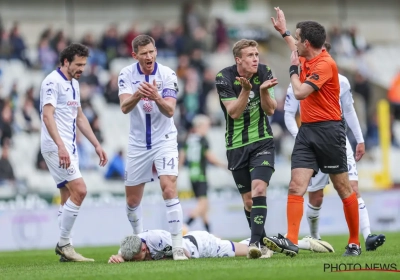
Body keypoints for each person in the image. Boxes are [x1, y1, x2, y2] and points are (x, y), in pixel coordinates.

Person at [264, 7, 361, 257]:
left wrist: (293, 71)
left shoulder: (326, 64)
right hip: (307, 131)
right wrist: (284, 31)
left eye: (297, 38)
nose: (294, 42)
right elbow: (294, 49)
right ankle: (292, 240)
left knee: (342, 188)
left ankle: (354, 242)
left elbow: (299, 93)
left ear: (307, 43)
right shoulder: (308, 54)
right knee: (296, 185)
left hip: (330, 131)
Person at [284, 42, 386, 252]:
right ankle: (314, 237)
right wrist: (299, 137)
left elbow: (349, 111)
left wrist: (359, 139)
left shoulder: (341, 81)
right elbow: (288, 114)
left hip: (336, 140)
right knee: (315, 195)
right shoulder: (298, 81)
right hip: (310, 140)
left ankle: (365, 237)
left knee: (350, 188)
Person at [117, 35, 187, 261]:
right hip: (138, 143)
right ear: (134, 55)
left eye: (151, 51)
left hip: (164, 139)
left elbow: (170, 111)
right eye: (143, 53)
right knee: (132, 202)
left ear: (156, 51)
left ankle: (177, 247)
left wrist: (156, 96)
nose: (148, 56)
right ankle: (140, 242)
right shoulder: (126, 74)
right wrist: (139, 93)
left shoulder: (167, 74)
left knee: (168, 188)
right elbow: (124, 108)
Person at [40, 43, 108, 262]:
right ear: (66, 62)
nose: (82, 68)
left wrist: (96, 144)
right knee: (80, 190)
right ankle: (64, 245)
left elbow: (79, 117)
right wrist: (60, 145)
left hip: (69, 146)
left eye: (84, 64)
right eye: (78, 64)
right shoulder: (52, 81)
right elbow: (47, 116)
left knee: (67, 196)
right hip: (56, 146)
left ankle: (65, 249)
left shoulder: (74, 84)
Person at [215, 39, 278, 259]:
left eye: (256, 54)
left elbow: (271, 111)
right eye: (250, 55)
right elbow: (233, 112)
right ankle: (263, 243)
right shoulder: (223, 77)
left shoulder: (265, 71)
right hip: (236, 145)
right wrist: (245, 90)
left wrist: (262, 92)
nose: (255, 59)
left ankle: (254, 243)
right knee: (249, 200)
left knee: (260, 188)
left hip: (262, 141)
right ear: (238, 59)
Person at [179, 114, 226, 233]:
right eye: (206, 126)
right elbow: (210, 157)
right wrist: (226, 166)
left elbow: (182, 157)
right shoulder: (202, 140)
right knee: (203, 204)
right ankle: (185, 224)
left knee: (204, 206)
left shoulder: (188, 139)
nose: (207, 128)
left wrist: (177, 171)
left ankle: (209, 233)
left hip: (192, 176)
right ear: (199, 126)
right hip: (201, 176)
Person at [108, 229, 273, 263]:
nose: (135, 262)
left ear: (144, 248)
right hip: (193, 238)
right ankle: (265, 241)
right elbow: (122, 255)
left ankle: (271, 243)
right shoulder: (130, 246)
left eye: (137, 259)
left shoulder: (157, 238)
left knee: (251, 252)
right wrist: (117, 259)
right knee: (243, 247)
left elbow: (185, 254)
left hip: (201, 245)